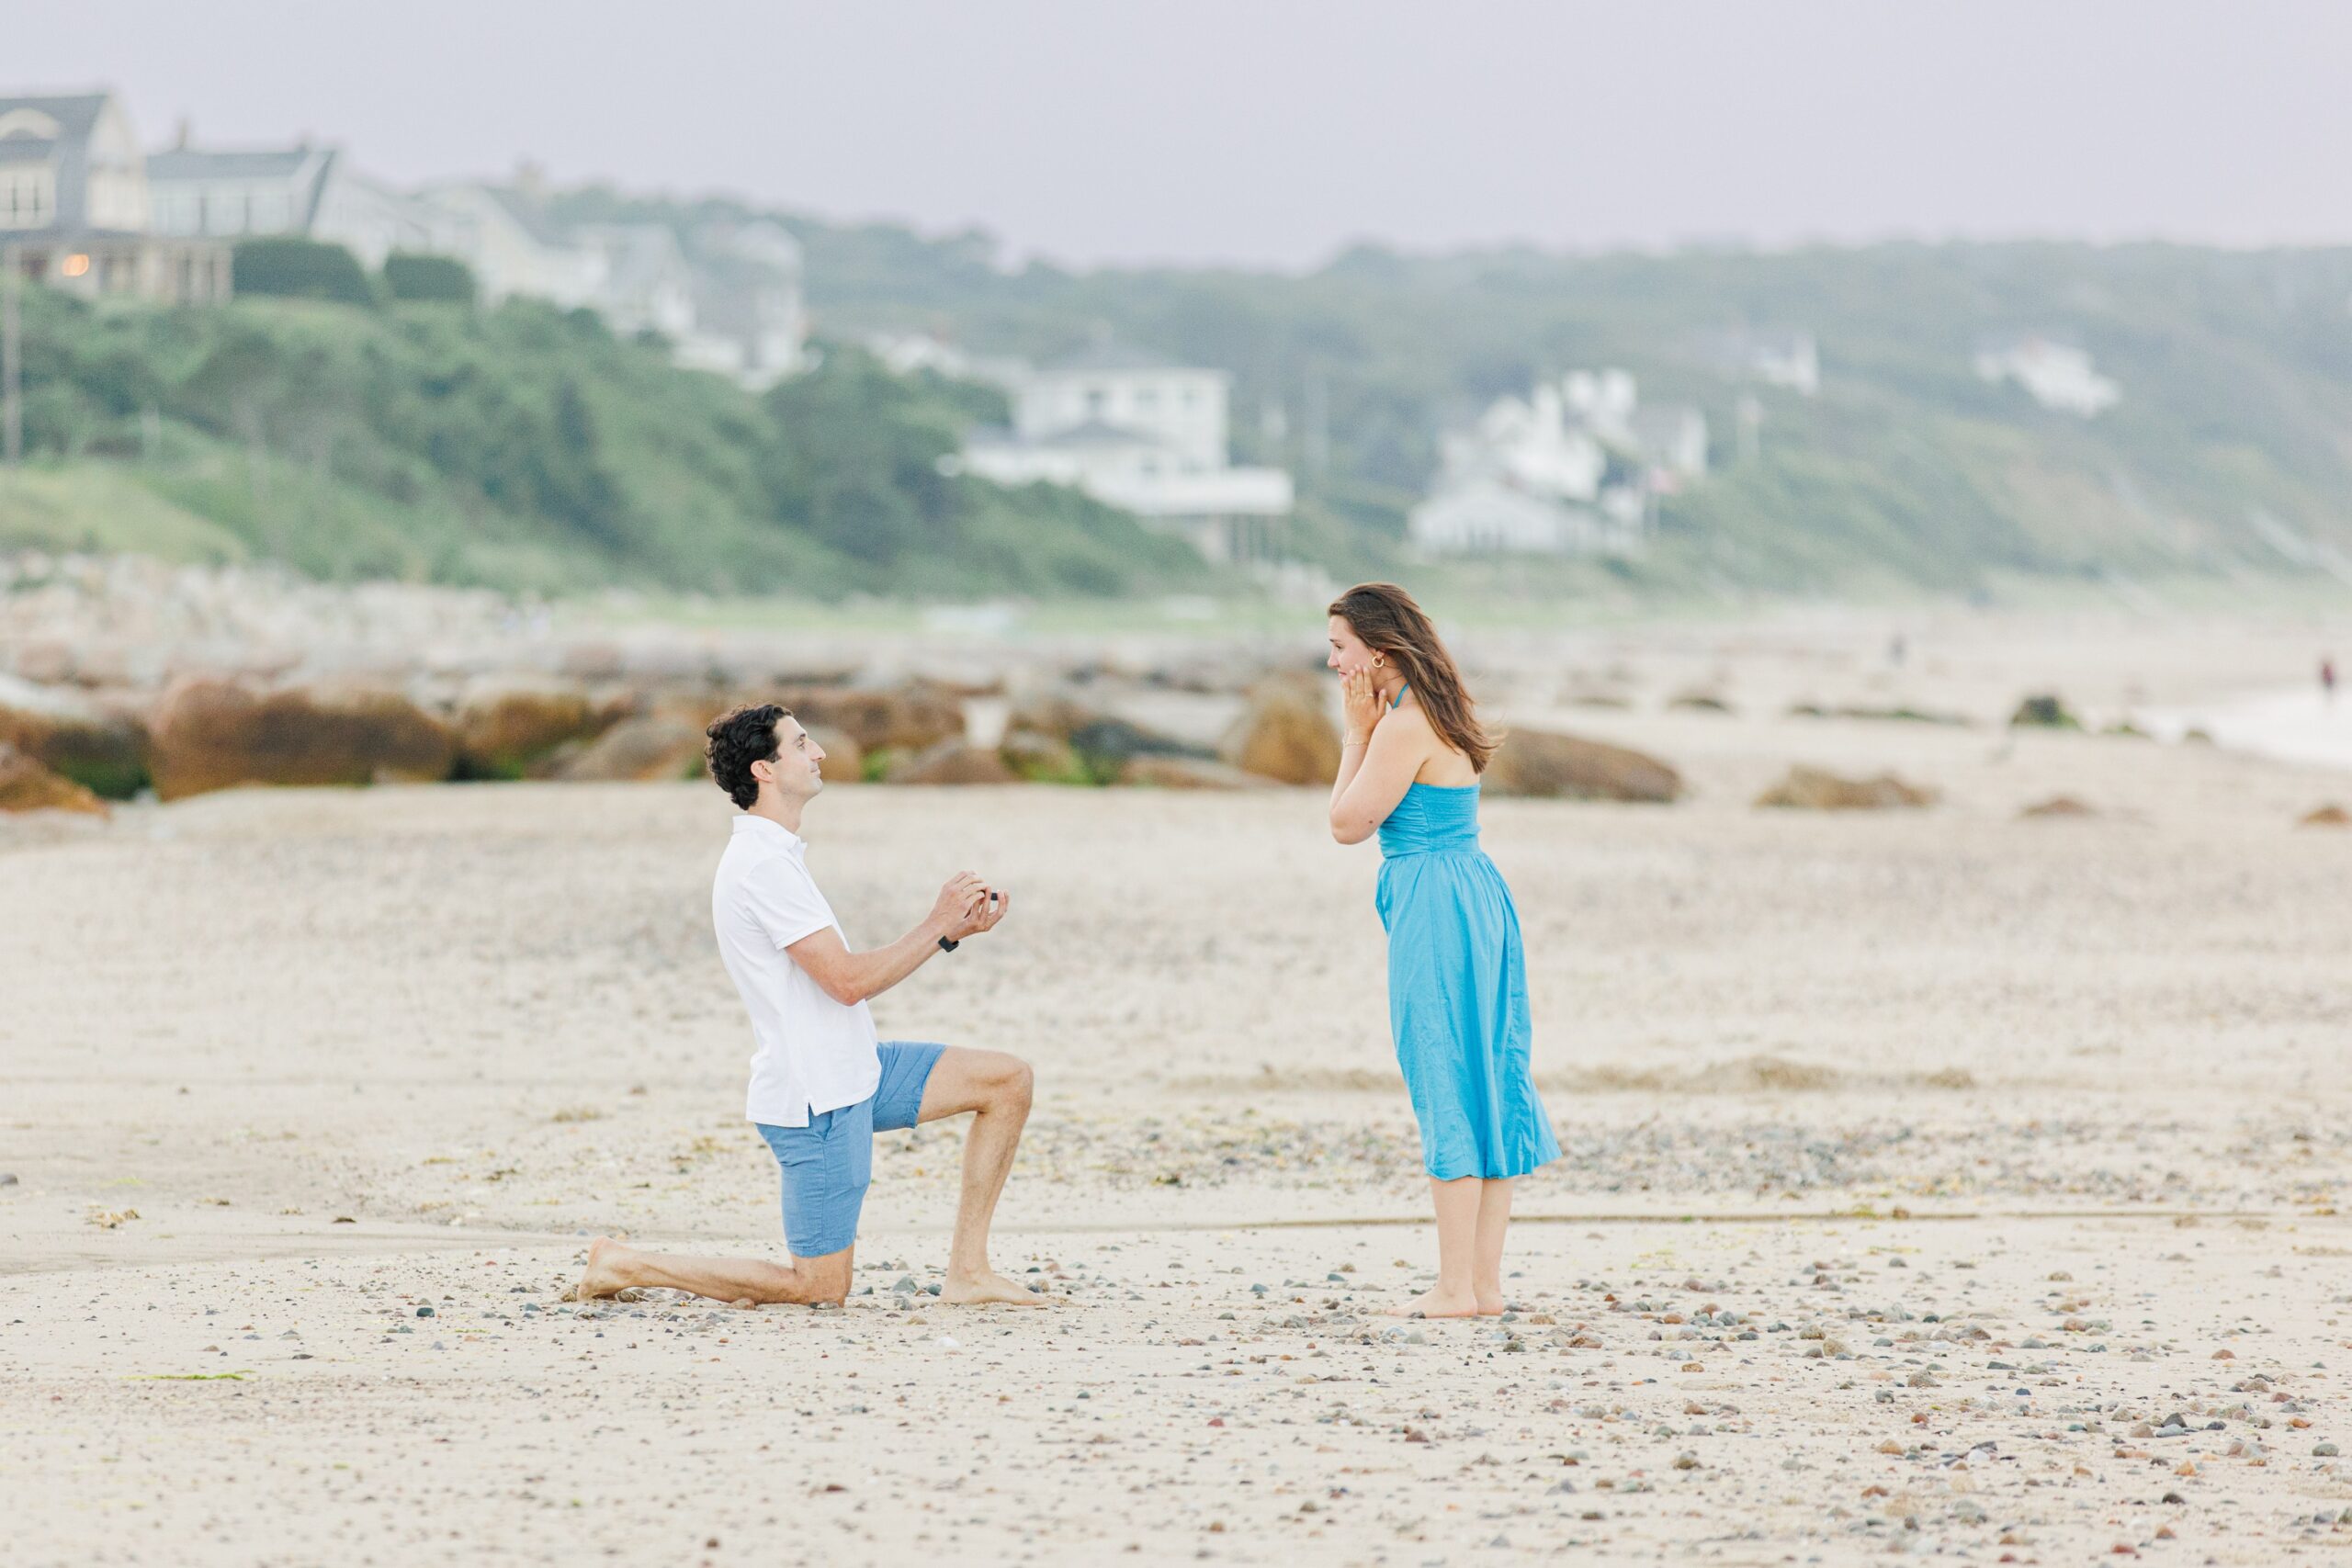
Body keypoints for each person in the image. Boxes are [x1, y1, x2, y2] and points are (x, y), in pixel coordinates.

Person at [574, 703, 1045, 1309]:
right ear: (764, 769)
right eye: (801, 744)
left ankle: (970, 1271)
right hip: (815, 1099)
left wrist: (951, 932)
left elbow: (843, 984)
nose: (819, 752)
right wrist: (937, 922)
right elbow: (847, 981)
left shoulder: (777, 856)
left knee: (1007, 1081)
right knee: (819, 1289)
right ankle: (625, 1261)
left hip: (856, 1067)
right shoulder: (762, 867)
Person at [1325, 583, 1560, 1319]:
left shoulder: (1402, 726)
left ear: (1380, 651)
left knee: (1443, 1071)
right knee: (1488, 1074)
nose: (1331, 661)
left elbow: (1346, 823)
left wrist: (1355, 734)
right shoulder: (1444, 708)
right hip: (1475, 894)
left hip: (1436, 902)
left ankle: (1456, 1287)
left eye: (1339, 646)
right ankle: (1483, 1286)